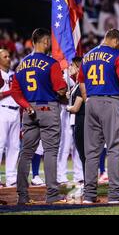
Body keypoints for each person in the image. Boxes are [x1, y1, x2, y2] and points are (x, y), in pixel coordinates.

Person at [11, 28, 68, 205]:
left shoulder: (21, 64)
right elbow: (60, 89)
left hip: (29, 111)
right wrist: (64, 90)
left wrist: (27, 106)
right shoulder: (51, 63)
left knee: (26, 154)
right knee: (50, 152)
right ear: (44, 42)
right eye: (48, 41)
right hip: (48, 109)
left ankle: (22, 196)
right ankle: (52, 195)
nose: (50, 44)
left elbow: (15, 91)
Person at [79, 29, 119, 204]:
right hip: (110, 102)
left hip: (91, 103)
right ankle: (115, 195)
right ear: (116, 41)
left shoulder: (87, 56)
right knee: (114, 148)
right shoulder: (118, 55)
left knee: (91, 152)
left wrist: (89, 98)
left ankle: (89, 195)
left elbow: (81, 80)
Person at [0, 49, 21, 187]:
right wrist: (11, 91)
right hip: (2, 110)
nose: (8, 58)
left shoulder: (14, 75)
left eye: (9, 56)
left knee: (14, 146)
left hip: (16, 111)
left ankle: (11, 177)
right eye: (5, 56)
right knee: (0, 145)